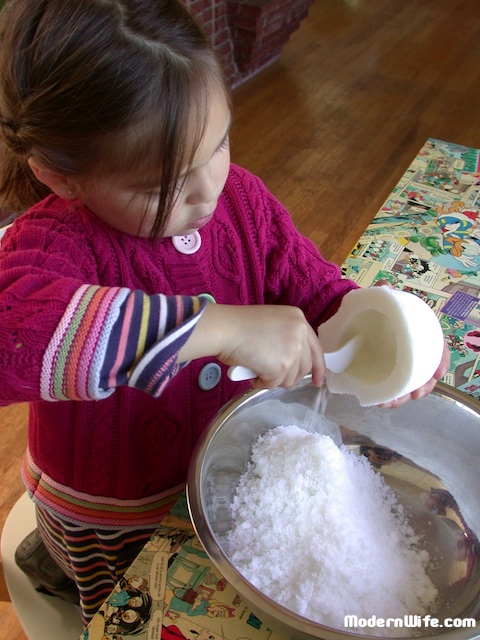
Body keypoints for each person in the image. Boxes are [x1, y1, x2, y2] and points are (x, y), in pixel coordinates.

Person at [0, 0, 449, 627]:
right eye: (163, 184)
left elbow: (311, 287)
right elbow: (14, 336)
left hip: (221, 482)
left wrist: (381, 337)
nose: (210, 188)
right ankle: (51, 560)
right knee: (123, 608)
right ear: (61, 175)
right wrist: (221, 326)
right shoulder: (47, 246)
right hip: (112, 514)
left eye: (219, 144)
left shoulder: (241, 203)